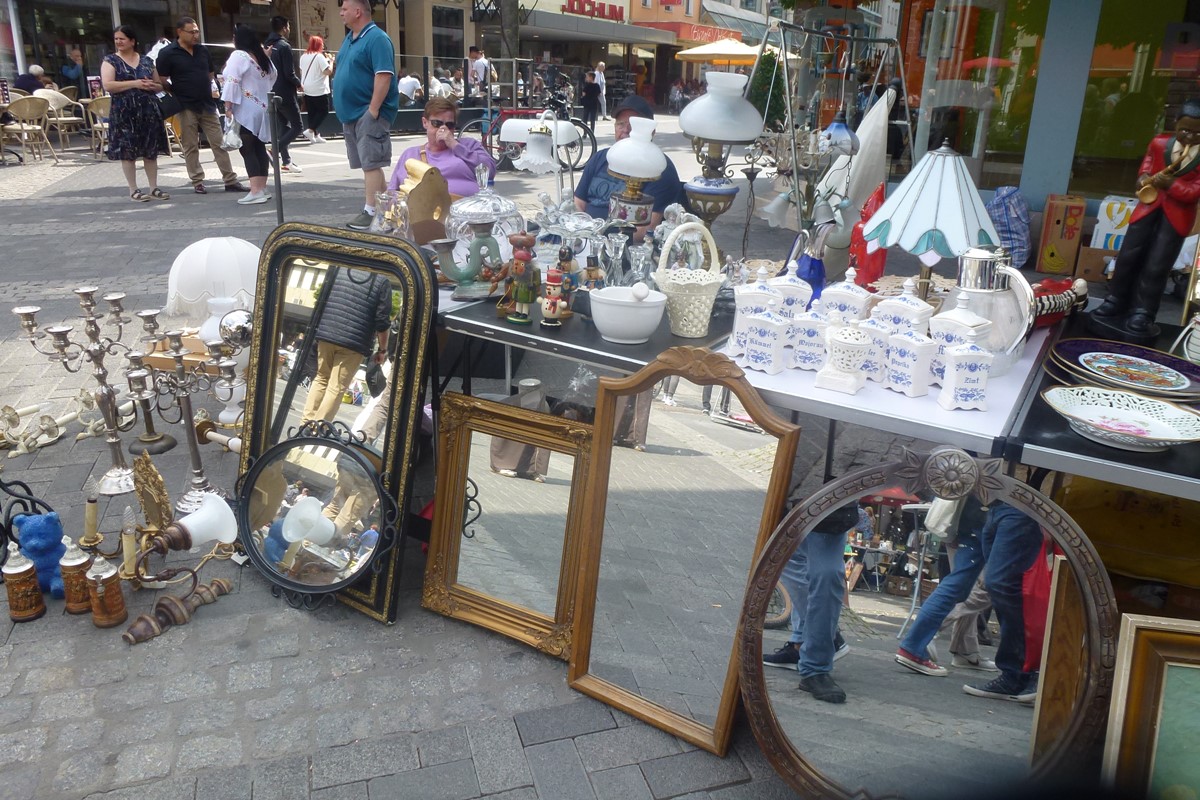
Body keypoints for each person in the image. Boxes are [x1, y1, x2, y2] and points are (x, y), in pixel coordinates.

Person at [1090, 99, 1200, 336]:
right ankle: (1114, 300)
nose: (1189, 136)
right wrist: (1143, 179)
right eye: (1185, 129)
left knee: (1157, 265)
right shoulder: (1160, 143)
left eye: (1197, 132)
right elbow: (1146, 167)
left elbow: (1194, 193)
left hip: (1177, 217)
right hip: (1147, 208)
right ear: (1175, 124)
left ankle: (1143, 312)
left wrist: (1170, 183)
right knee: (1129, 255)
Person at [762, 503, 857, 704]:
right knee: (788, 559)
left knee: (826, 573)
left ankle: (817, 664)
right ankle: (804, 641)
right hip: (793, 501)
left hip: (829, 502)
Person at [895, 499, 998, 676]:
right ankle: (919, 641)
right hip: (984, 513)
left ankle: (961, 648)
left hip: (970, 514)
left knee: (964, 584)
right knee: (973, 585)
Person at [155, 17, 248, 195]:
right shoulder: (168, 53)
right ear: (180, 32)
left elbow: (211, 74)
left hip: (207, 103)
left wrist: (213, 89)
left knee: (219, 142)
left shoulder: (202, 50)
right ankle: (197, 180)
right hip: (185, 104)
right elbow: (162, 79)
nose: (195, 35)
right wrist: (175, 92)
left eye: (197, 31)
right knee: (190, 145)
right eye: (191, 32)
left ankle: (230, 180)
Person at [574, 95, 681, 241]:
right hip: (585, 236)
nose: (625, 130)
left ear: (651, 132)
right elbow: (578, 202)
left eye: (633, 126)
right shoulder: (601, 158)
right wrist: (582, 232)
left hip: (626, 248)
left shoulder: (659, 169)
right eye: (621, 124)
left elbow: (645, 231)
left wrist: (599, 238)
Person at [332, 0, 399, 231]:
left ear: (357, 11)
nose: (341, 13)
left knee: (371, 163)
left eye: (344, 9)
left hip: (368, 112)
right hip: (355, 113)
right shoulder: (352, 38)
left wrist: (372, 110)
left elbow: (384, 75)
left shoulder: (377, 38)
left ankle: (371, 212)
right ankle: (386, 210)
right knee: (370, 163)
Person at [301, 268, 392, 424]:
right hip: (354, 341)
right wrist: (382, 350)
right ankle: (316, 429)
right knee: (336, 387)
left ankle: (305, 423)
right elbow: (382, 321)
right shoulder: (382, 281)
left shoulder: (339, 269)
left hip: (327, 333)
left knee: (321, 378)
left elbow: (322, 300)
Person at [101, 26, 170, 203]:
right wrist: (135, 83)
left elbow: (159, 85)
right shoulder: (111, 61)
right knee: (127, 151)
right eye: (116, 39)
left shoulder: (146, 61)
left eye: (122, 38)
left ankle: (154, 187)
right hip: (124, 112)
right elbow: (108, 85)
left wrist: (153, 86)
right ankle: (133, 189)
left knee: (150, 150)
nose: (118, 42)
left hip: (148, 111)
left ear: (132, 41)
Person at [387, 97, 495, 198]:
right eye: (437, 123)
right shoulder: (411, 154)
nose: (443, 129)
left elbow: (489, 172)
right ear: (425, 122)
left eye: (449, 125)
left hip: (467, 211)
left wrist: (455, 145)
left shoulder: (469, 145)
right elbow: (392, 192)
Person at [221, 24, 277, 206]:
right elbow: (273, 77)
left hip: (246, 108)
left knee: (247, 148)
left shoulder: (239, 56)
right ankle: (261, 188)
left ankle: (255, 190)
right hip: (262, 107)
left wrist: (228, 106)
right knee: (259, 147)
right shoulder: (261, 57)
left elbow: (231, 81)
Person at [265, 15, 304, 175]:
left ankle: (286, 161)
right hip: (285, 92)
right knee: (298, 127)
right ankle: (275, 151)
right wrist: (298, 83)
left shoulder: (268, 45)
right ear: (284, 27)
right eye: (288, 26)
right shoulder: (283, 46)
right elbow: (289, 72)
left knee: (285, 126)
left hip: (272, 90)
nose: (289, 29)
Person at [299, 35, 332, 143]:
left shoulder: (303, 56)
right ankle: (311, 130)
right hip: (319, 88)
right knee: (323, 110)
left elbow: (301, 71)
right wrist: (331, 61)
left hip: (306, 87)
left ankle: (315, 134)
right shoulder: (319, 56)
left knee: (312, 112)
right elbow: (327, 71)